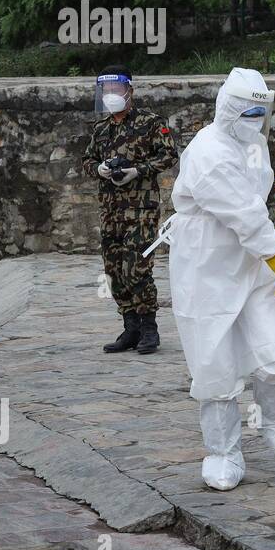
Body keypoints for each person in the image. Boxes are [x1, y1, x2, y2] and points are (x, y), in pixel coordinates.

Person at [168, 68, 275, 491]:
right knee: (216, 366)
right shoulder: (207, 150)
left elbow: (255, 205)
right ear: (226, 108)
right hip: (206, 263)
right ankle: (223, 452)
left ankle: (274, 415)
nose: (253, 119)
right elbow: (243, 213)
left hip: (253, 258)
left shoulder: (255, 143)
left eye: (260, 112)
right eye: (246, 111)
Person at [82, 65, 179, 355]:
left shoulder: (150, 123)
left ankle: (150, 327)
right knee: (113, 271)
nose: (111, 95)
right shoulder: (101, 129)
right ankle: (131, 327)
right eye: (107, 91)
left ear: (129, 91)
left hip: (141, 211)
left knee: (136, 268)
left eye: (116, 90)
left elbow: (169, 155)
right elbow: (87, 159)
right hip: (110, 212)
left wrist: (138, 170)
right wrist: (99, 169)